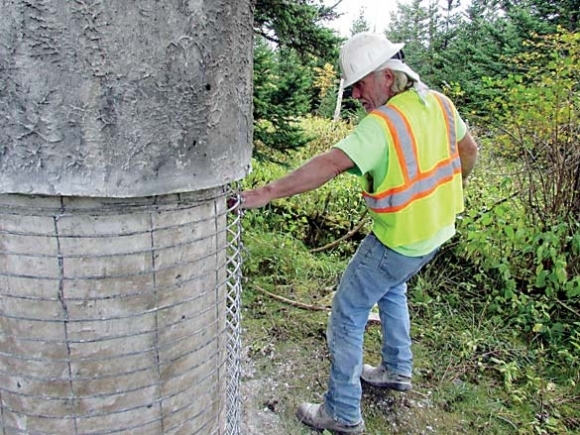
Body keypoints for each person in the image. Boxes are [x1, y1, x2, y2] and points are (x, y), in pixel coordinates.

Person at [236, 32, 479, 434]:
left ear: (387, 75)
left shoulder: (381, 125)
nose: (355, 96)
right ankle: (397, 369)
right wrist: (447, 190)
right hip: (435, 233)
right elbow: (469, 152)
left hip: (397, 243)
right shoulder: (439, 103)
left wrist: (265, 193)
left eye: (359, 85)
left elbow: (328, 164)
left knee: (347, 314)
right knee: (391, 287)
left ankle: (342, 411)